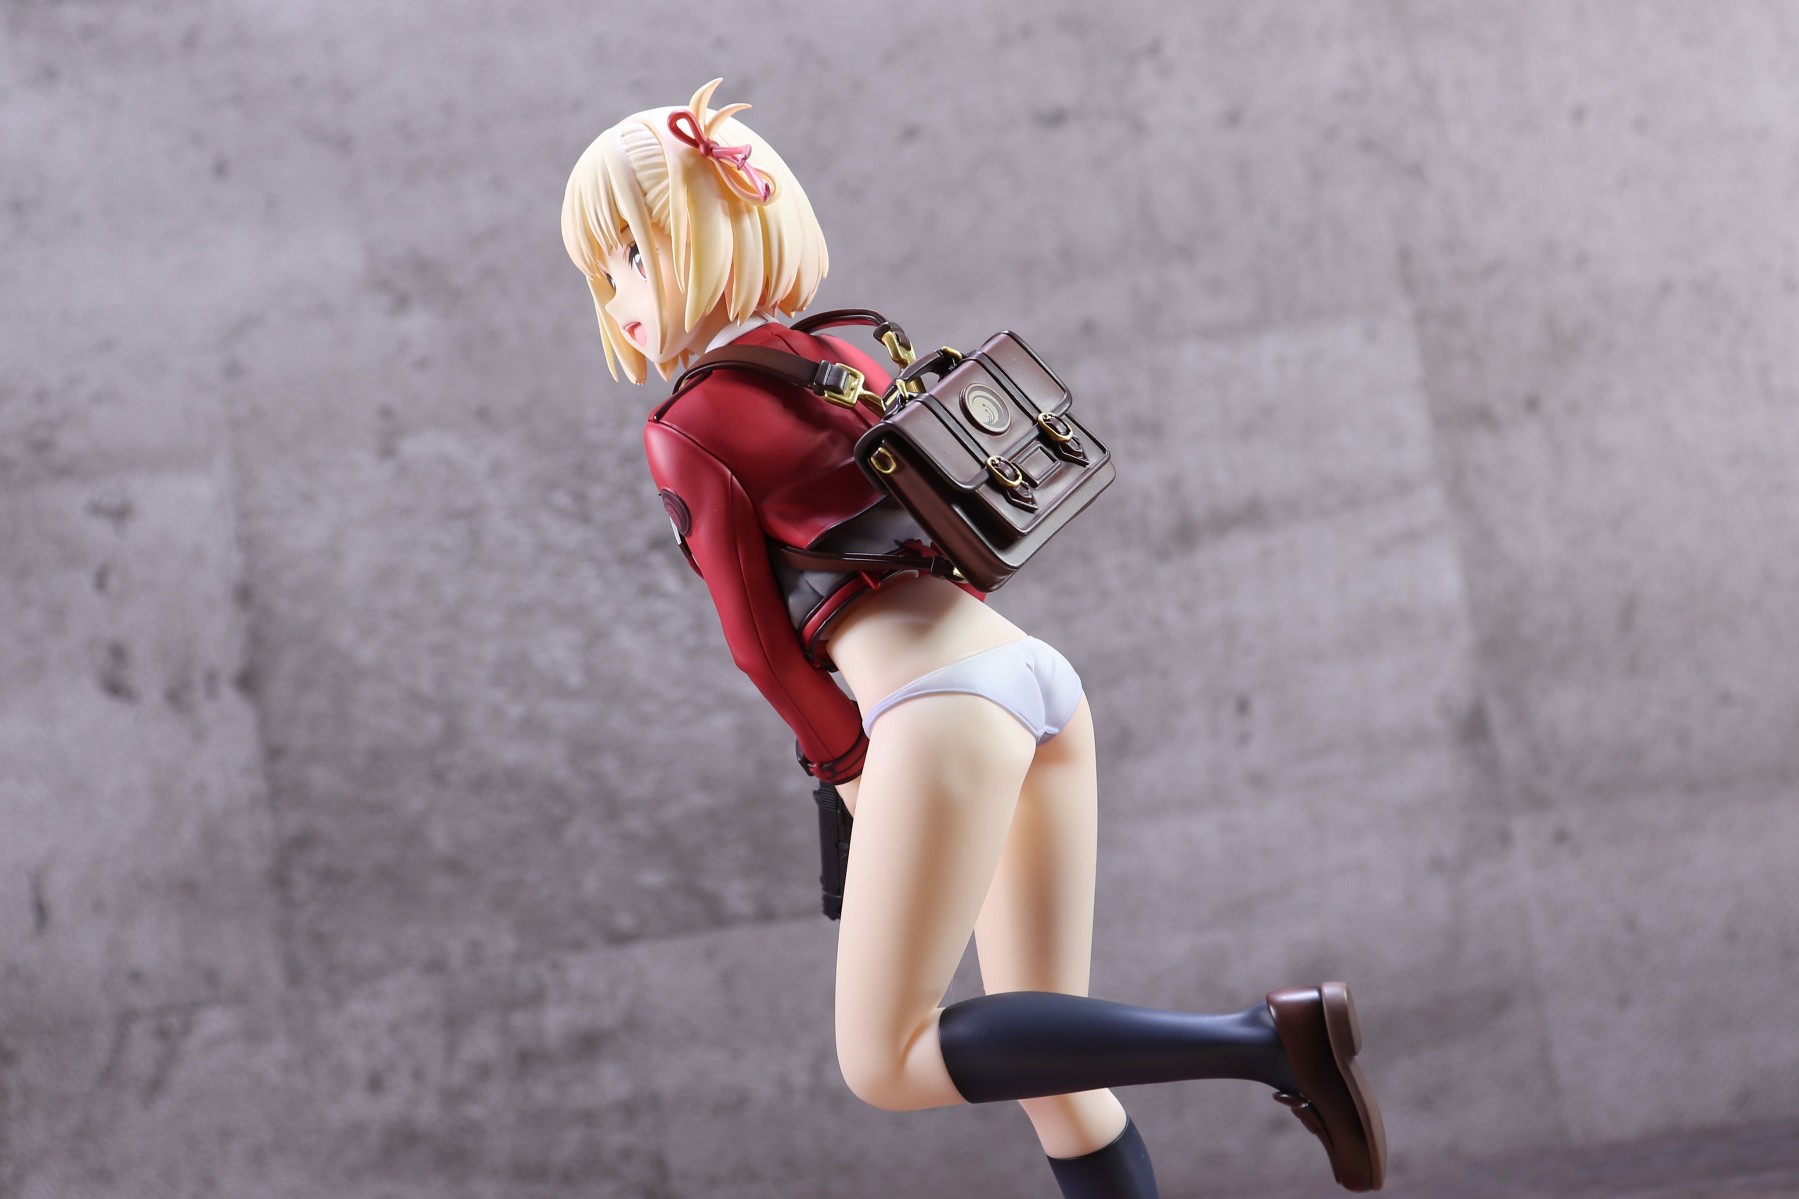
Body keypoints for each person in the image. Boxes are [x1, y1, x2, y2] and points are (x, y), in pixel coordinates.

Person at [560, 79, 1387, 1198]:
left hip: (937, 712)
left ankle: (1262, 1040)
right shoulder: (854, 348)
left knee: (886, 1059)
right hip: (1030, 675)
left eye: (630, 257)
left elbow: (759, 643)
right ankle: (1261, 1047)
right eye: (603, 272)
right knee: (1058, 1075)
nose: (618, 297)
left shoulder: (687, 424)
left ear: (708, 240)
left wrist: (849, 771)